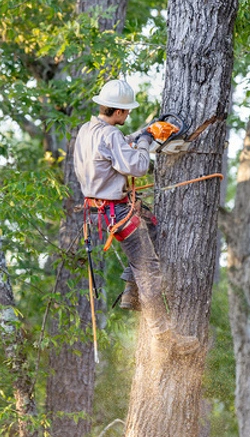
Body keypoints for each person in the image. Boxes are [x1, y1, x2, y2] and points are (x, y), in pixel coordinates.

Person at [74, 79, 200, 356]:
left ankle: (132, 291)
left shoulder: (88, 130)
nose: (127, 115)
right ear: (117, 111)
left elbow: (112, 148)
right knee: (149, 270)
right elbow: (139, 166)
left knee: (152, 227)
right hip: (116, 211)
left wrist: (139, 134)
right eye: (126, 112)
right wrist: (143, 142)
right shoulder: (110, 136)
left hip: (103, 208)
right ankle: (164, 336)